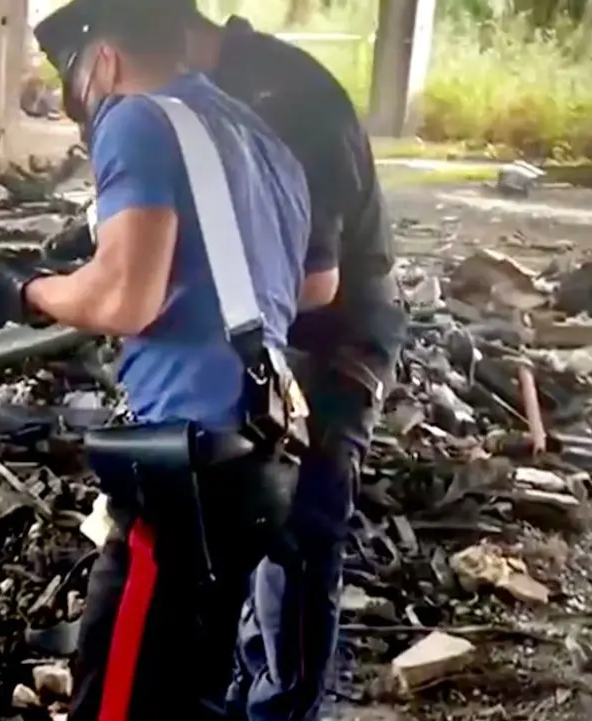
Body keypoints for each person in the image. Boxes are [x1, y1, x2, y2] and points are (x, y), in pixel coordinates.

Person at [0, 0, 332, 718]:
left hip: (185, 471)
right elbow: (316, 286)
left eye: (78, 80)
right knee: (189, 683)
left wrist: (24, 291)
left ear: (103, 59)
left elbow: (126, 297)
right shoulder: (263, 139)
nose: (84, 101)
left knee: (121, 695)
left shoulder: (137, 119)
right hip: (262, 454)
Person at [163, 7, 408, 721]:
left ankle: (284, 708)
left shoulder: (286, 100)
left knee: (299, 539)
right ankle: (253, 686)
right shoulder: (211, 91)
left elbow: (313, 280)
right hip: (269, 339)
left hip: (333, 345)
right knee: (256, 526)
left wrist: (174, 294)